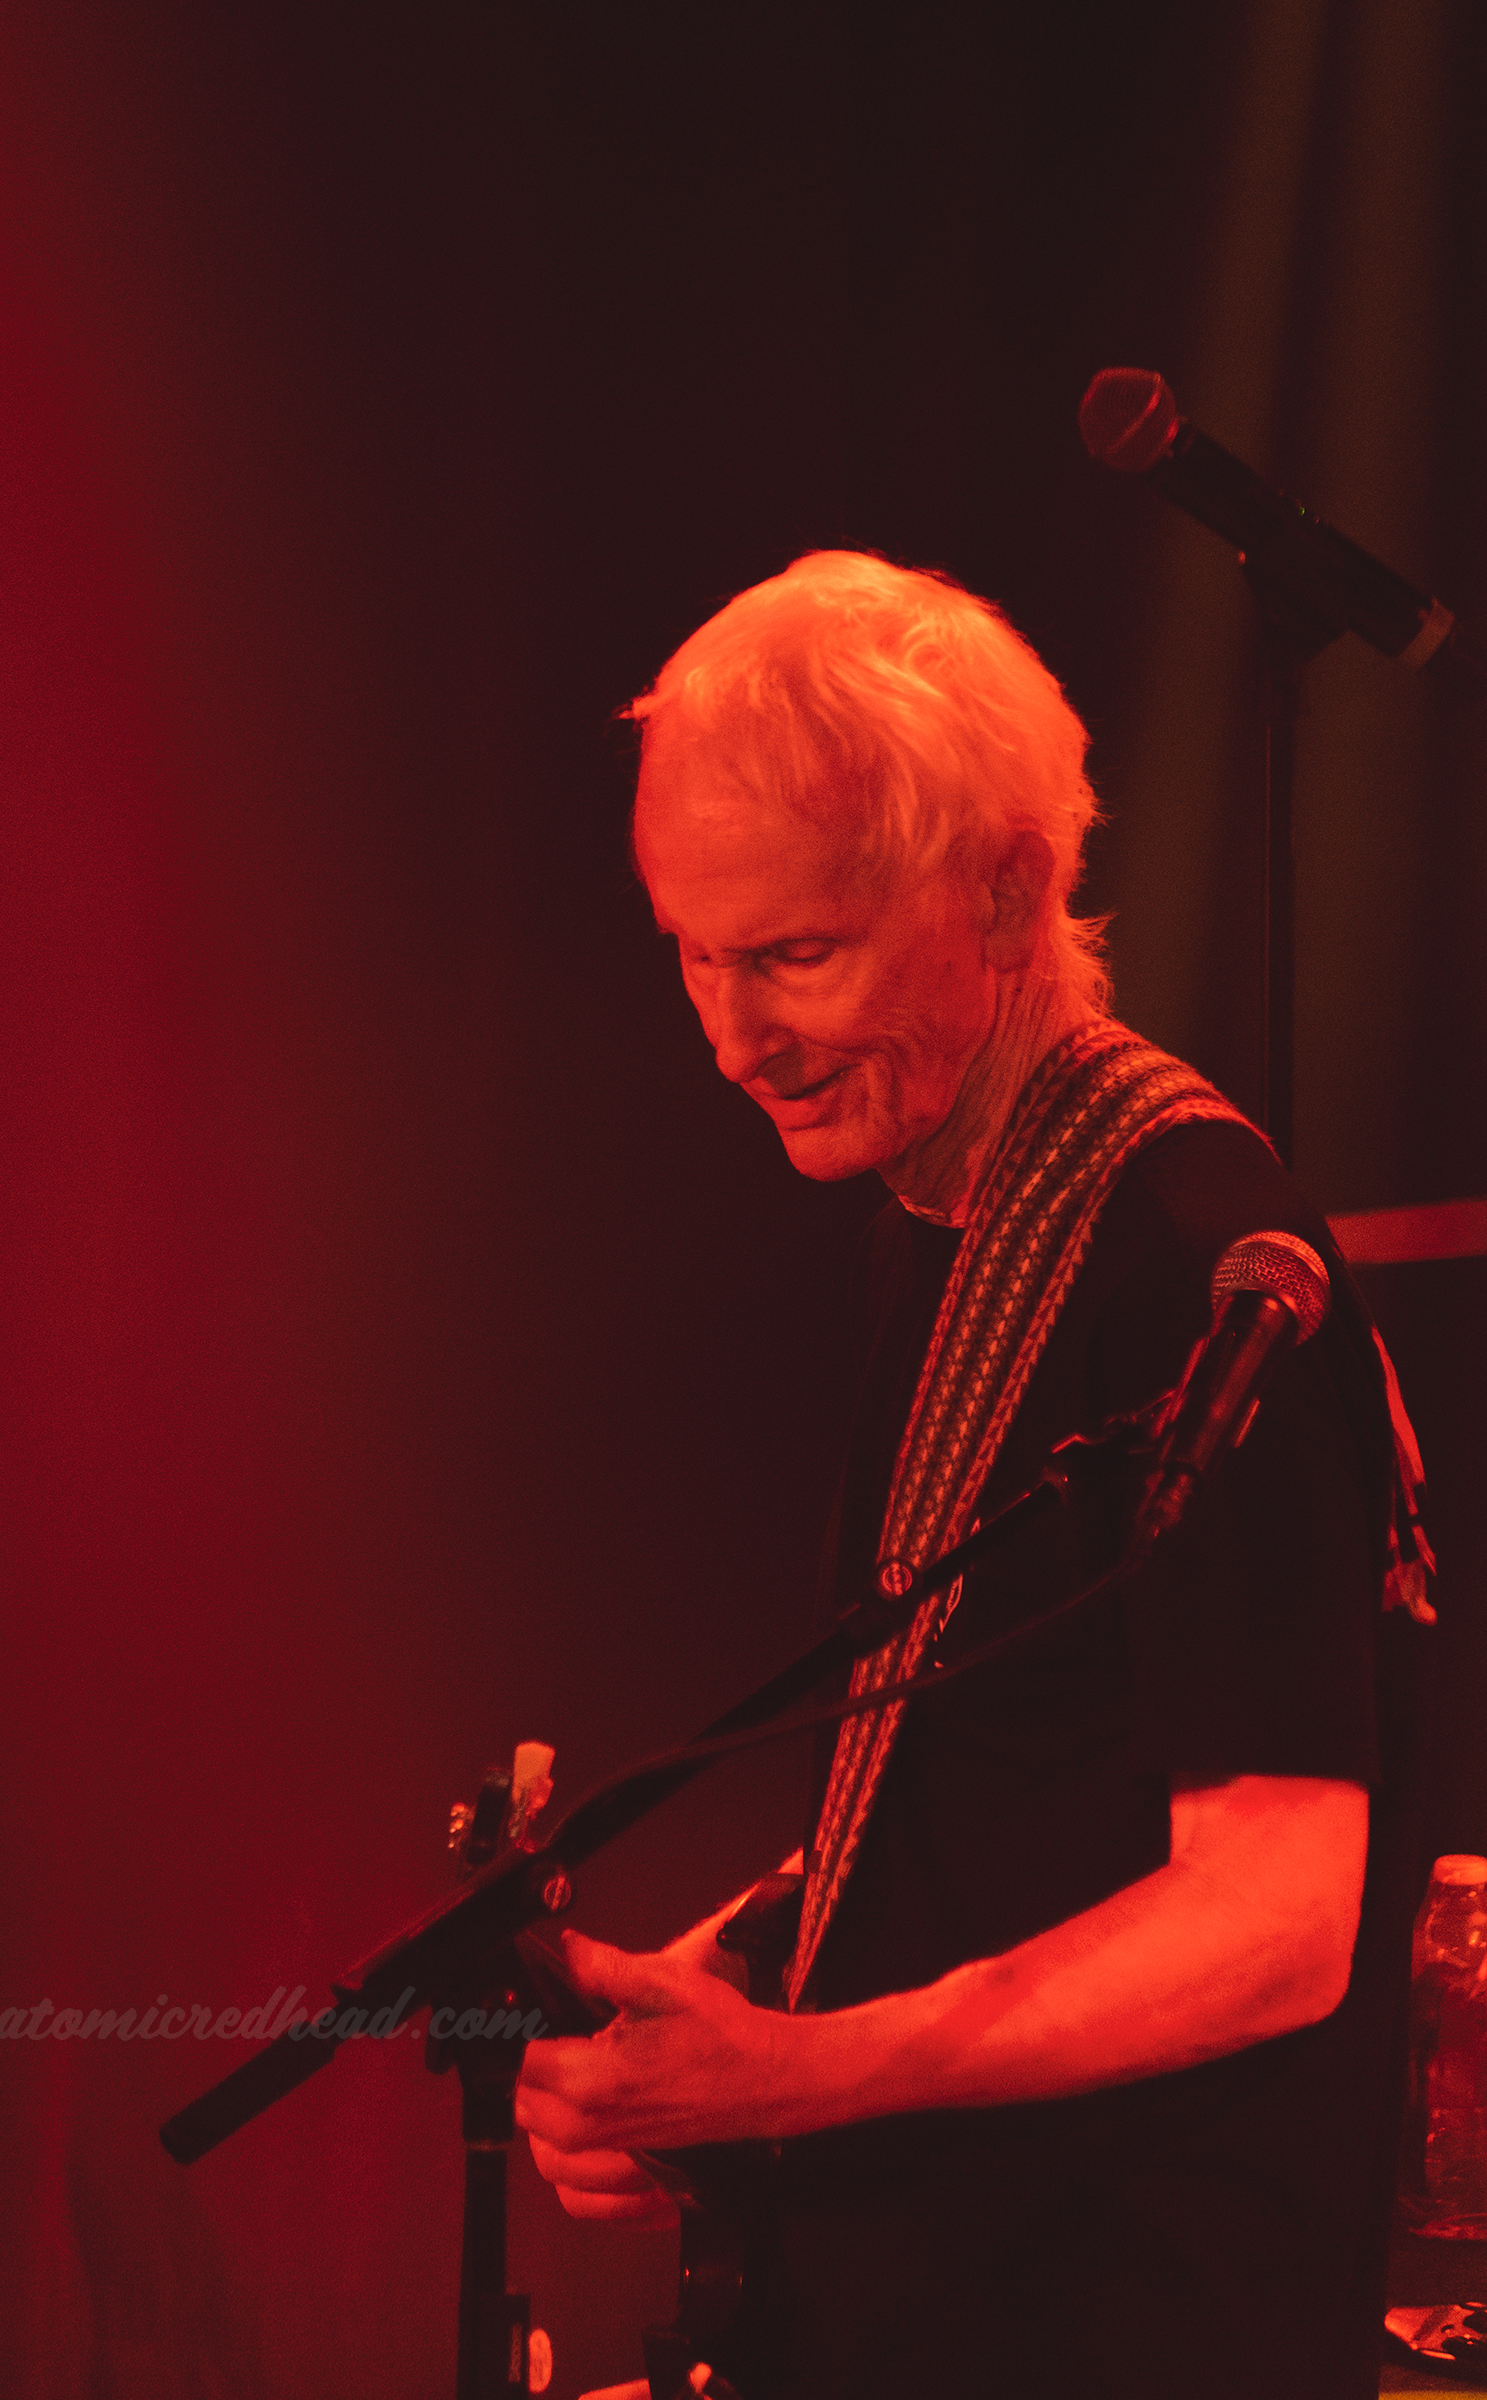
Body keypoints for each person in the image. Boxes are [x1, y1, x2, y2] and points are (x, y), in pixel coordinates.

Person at [515, 552, 1429, 2398]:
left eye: (794, 954)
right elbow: (1001, 1780)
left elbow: (1280, 1914)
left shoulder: (1191, 1251)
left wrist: (804, 2075)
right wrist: (729, 1985)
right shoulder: (952, 1205)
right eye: (694, 948)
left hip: (1136, 2328)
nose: (731, 1037)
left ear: (1007, 889)